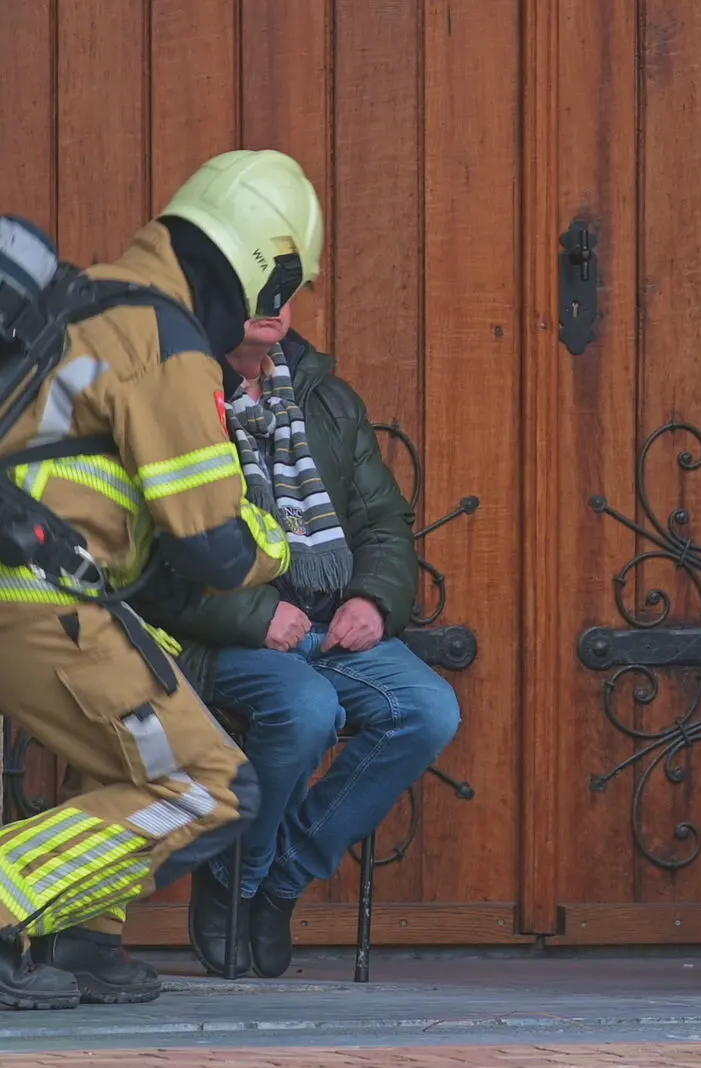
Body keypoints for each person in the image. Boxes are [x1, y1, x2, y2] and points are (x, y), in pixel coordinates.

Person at [0, 149, 320, 1008]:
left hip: (44, 586)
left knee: (108, 756)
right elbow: (211, 545)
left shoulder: (87, 300)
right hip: (39, 596)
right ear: (264, 264)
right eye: (282, 288)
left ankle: (84, 940)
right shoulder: (167, 337)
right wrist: (278, 542)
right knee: (207, 783)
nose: (280, 311)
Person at [133, 303, 459, 980]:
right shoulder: (178, 401)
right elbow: (154, 564)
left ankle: (280, 880)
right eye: (254, 288)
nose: (271, 305)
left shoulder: (327, 398)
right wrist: (257, 618)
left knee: (429, 710)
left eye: (283, 290)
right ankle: (235, 874)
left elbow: (382, 524)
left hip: (331, 626)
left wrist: (374, 599)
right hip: (225, 636)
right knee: (307, 709)